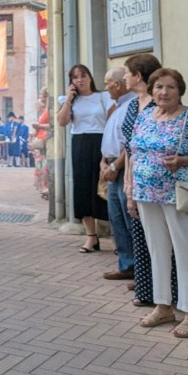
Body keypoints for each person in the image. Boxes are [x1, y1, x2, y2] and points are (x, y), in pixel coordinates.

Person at [129, 68, 188, 339]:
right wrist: (130, 191)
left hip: (178, 193)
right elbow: (133, 154)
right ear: (151, 90)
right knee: (157, 251)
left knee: (187, 252)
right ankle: (163, 306)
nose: (164, 92)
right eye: (159, 87)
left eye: (171, 87)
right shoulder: (144, 116)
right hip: (146, 193)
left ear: (180, 90)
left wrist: (184, 161)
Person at [121, 53, 175, 309]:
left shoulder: (158, 105)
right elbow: (130, 147)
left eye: (127, 72)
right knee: (141, 237)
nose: (123, 77)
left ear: (138, 75)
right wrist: (127, 182)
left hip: (159, 183)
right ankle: (146, 291)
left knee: (164, 241)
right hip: (136, 177)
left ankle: (167, 294)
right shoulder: (133, 105)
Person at [57, 64, 115, 253]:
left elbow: (112, 120)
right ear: (71, 82)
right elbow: (62, 122)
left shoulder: (103, 96)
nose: (80, 80)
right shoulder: (69, 100)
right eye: (75, 77)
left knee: (103, 188)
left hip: (100, 140)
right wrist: (68, 100)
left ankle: (116, 238)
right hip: (80, 142)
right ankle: (91, 237)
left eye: (83, 75)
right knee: (82, 188)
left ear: (90, 77)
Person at [99, 67, 135, 282]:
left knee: (129, 220)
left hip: (121, 169)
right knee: (117, 220)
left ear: (118, 85)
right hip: (111, 166)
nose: (105, 87)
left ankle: (139, 271)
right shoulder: (117, 107)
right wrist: (104, 161)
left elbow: (129, 143)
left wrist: (115, 166)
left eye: (107, 83)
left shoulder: (132, 106)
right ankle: (126, 264)